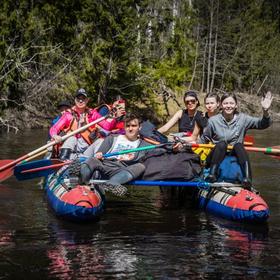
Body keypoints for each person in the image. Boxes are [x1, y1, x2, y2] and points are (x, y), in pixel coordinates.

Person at [199, 91, 273, 188]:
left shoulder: (243, 119)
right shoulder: (213, 121)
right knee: (222, 144)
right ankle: (212, 174)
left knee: (238, 145)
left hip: (234, 153)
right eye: (225, 103)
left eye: (231, 103)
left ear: (236, 105)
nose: (228, 106)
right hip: (216, 153)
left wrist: (265, 111)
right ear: (221, 105)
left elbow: (262, 124)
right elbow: (203, 140)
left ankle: (247, 179)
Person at [78, 113, 165, 194]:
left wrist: (174, 148)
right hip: (105, 165)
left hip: (122, 169)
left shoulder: (144, 145)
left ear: (140, 127)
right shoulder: (112, 138)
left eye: (134, 126)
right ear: (124, 127)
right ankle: (84, 184)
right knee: (92, 160)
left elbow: (161, 150)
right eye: (128, 126)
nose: (130, 129)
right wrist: (99, 154)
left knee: (140, 166)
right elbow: (100, 152)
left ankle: (111, 184)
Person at [49, 88, 124, 160]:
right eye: (78, 99)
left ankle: (96, 164)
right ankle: (62, 164)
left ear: (87, 100)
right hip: (70, 154)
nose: (81, 101)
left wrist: (115, 118)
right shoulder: (68, 115)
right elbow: (54, 128)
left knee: (100, 141)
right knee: (72, 138)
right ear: (75, 100)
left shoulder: (93, 114)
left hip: (86, 153)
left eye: (83, 98)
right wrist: (55, 135)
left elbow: (107, 126)